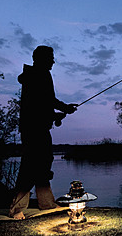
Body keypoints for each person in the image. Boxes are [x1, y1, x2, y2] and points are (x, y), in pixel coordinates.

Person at [9, 45, 77, 219]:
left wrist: (55, 115)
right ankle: (16, 209)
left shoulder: (35, 75)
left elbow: (40, 104)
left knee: (43, 163)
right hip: (34, 129)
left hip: (36, 127)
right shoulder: (40, 74)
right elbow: (46, 101)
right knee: (30, 165)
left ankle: (46, 203)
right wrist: (65, 108)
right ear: (41, 58)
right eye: (50, 57)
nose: (53, 61)